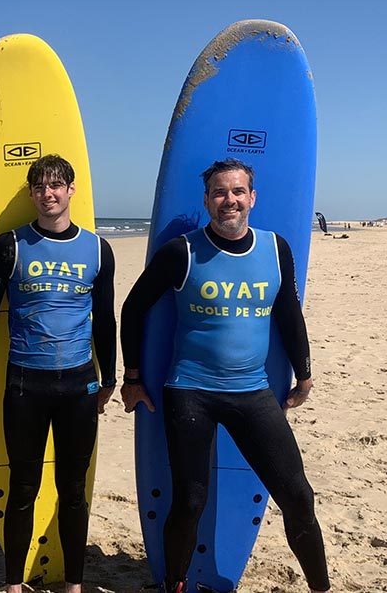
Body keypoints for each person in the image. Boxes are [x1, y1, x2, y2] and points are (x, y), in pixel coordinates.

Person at [120, 158, 330, 593]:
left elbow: (289, 314)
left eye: (237, 192)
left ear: (252, 198)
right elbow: (133, 308)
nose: (228, 200)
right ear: (207, 200)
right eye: (219, 192)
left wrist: (304, 374)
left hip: (252, 391)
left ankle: (321, 588)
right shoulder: (182, 252)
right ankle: (175, 585)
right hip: (190, 392)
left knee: (297, 495)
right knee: (191, 500)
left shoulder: (276, 249)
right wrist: (133, 376)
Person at [0, 154, 117, 593]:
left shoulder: (97, 249)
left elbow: (105, 319)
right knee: (23, 487)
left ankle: (74, 584)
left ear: (71, 190)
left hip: (80, 385)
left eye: (56, 185)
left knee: (72, 489)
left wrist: (110, 380)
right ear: (31, 194)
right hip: (26, 384)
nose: (48, 193)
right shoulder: (10, 246)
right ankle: (13, 584)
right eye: (40, 187)